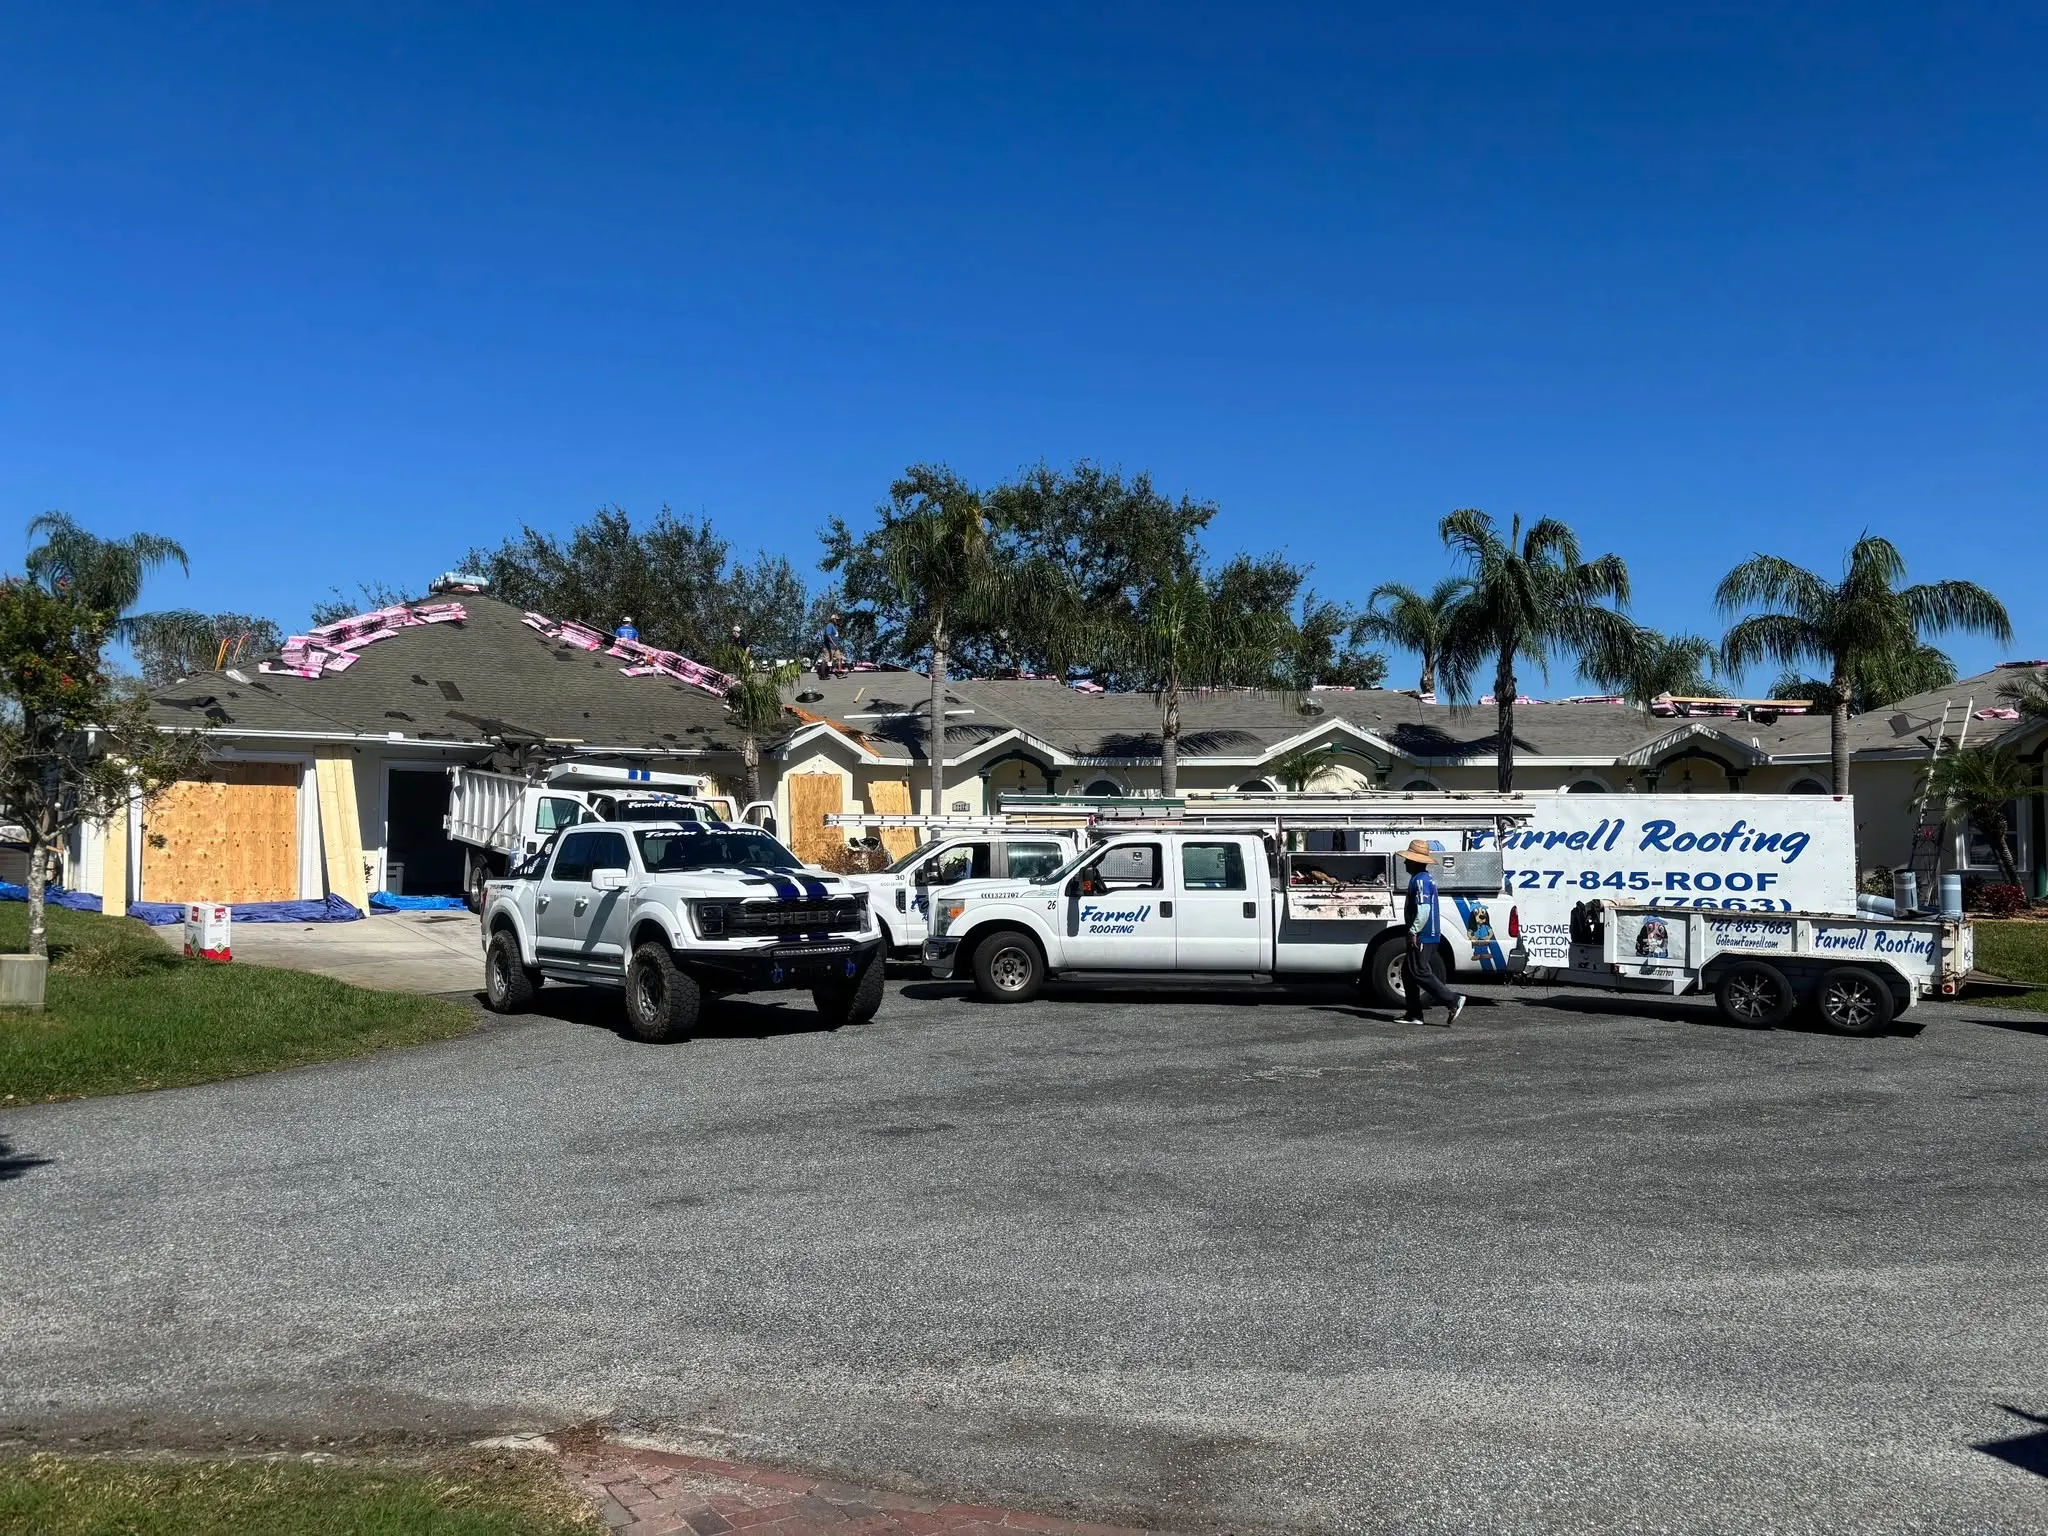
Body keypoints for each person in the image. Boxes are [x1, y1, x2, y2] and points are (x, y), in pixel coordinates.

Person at [1394, 837, 1466, 1026]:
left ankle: (1452, 999)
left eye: (1408, 859)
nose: (1405, 862)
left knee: (1419, 971)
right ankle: (1414, 1013)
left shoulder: (1420, 881)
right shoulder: (1424, 879)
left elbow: (1423, 909)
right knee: (1409, 973)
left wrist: (1414, 931)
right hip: (1427, 933)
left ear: (1414, 861)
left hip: (1423, 934)